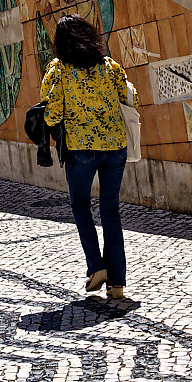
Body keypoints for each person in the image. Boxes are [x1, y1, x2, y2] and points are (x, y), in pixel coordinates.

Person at [40, 15, 137, 302]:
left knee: (80, 205)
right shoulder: (109, 66)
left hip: (81, 149)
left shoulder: (59, 70)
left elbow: (52, 109)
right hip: (115, 146)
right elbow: (131, 97)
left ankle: (96, 267)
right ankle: (117, 284)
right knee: (110, 211)